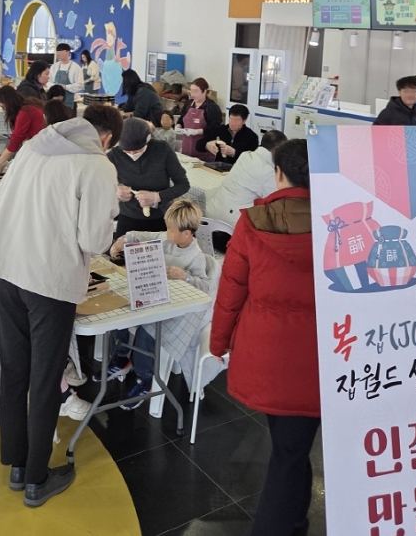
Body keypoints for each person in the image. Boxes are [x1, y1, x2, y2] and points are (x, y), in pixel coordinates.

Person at [0, 104, 123, 507]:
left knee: (14, 370)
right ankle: (37, 479)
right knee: (44, 378)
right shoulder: (97, 165)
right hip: (49, 282)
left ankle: (18, 465)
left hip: (7, 269)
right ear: (107, 138)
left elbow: (2, 193)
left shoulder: (36, 146)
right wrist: (111, 215)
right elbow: (94, 240)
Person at [210, 139, 320, 536]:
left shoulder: (253, 222)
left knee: (288, 451)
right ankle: (293, 520)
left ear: (278, 173)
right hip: (328, 356)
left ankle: (279, 525)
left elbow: (231, 289)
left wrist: (219, 342)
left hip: (268, 354)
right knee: (294, 450)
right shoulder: (344, 222)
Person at [102, 200, 208, 397]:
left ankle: (145, 377)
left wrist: (185, 276)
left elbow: (206, 287)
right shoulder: (166, 239)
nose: (167, 232)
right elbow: (139, 235)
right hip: (154, 297)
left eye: (171, 229)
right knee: (117, 311)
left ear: (186, 233)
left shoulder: (196, 256)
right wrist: (123, 240)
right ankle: (121, 357)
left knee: (146, 332)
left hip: (176, 309)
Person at [108, 117, 190, 239]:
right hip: (127, 218)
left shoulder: (162, 149)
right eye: (127, 151)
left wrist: (157, 197)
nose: (132, 154)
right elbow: (100, 187)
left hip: (160, 218)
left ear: (147, 140)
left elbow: (183, 184)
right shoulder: (113, 155)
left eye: (137, 151)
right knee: (121, 250)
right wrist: (116, 192)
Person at [207, 129, 287, 228]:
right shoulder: (267, 171)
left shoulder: (245, 155)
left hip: (214, 210)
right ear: (278, 149)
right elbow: (277, 201)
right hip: (232, 221)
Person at [0, 86, 46, 173]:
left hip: (40, 150)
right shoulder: (28, 105)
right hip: (40, 147)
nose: (3, 110)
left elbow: (15, 142)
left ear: (8, 103)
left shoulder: (25, 112)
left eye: (3, 106)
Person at [177, 77, 223, 161]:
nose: (193, 94)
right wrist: (178, 126)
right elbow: (181, 119)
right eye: (191, 91)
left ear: (204, 91)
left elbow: (215, 128)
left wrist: (196, 132)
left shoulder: (212, 108)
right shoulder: (188, 104)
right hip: (186, 151)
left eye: (196, 91)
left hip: (203, 154)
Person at [49, 43, 84, 108]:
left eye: (61, 52)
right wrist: (56, 87)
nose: (59, 54)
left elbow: (80, 85)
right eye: (58, 52)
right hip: (55, 103)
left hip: (70, 102)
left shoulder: (75, 67)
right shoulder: (54, 67)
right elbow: (48, 81)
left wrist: (65, 87)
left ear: (68, 52)